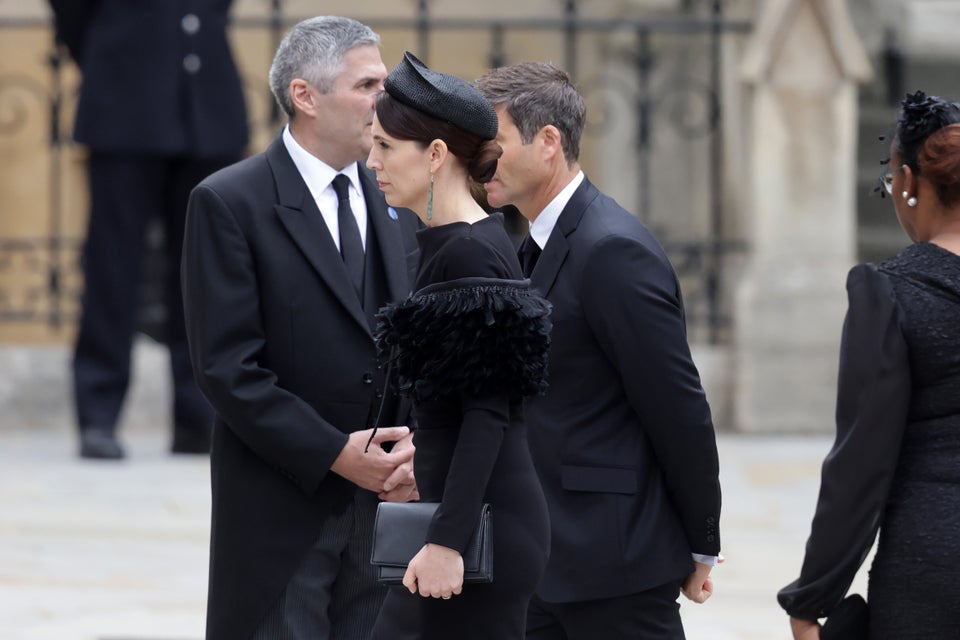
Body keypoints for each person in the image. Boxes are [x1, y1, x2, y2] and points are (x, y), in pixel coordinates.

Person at [180, 17, 422, 640]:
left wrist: (418, 451)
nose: (385, 101)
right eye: (368, 85)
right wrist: (336, 454)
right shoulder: (230, 201)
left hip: (387, 514)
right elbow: (227, 368)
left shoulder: (399, 197)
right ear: (304, 96)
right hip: (279, 513)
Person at [475, 62, 722, 639]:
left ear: (549, 142)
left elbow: (677, 406)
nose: (479, 160)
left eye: (494, 144)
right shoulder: (533, 242)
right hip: (543, 560)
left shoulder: (612, 249)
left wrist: (701, 541)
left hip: (615, 566)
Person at [366, 52, 553, 639]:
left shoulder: (470, 252)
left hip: (480, 529)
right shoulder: (453, 243)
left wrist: (448, 541)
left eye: (386, 148)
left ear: (437, 155)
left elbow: (488, 414)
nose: (371, 162)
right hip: (464, 515)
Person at [778, 90, 960, 640]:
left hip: (934, 566)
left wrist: (812, 598)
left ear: (906, 183)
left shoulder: (891, 292)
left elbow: (861, 462)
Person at [47, 0, 249, 459]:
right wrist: (112, 49)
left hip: (207, 108)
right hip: (124, 97)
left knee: (204, 269)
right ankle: (98, 412)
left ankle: (199, 417)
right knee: (112, 268)